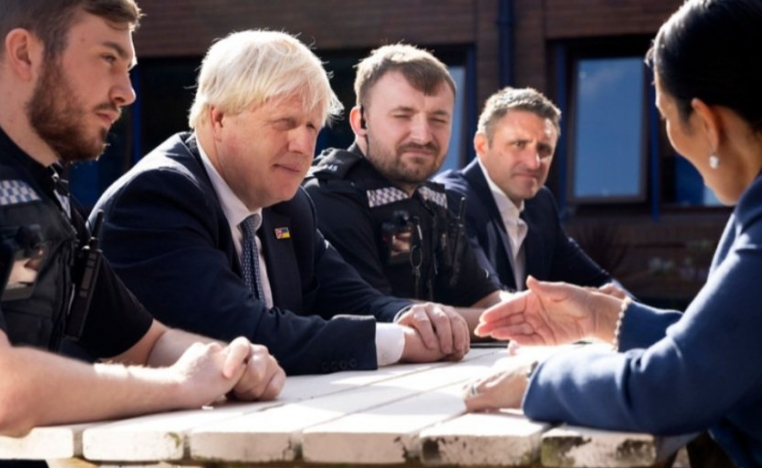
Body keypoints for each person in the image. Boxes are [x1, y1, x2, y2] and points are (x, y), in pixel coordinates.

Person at [464, 0, 762, 468]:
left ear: (706, 119)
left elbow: (672, 388)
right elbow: (736, 341)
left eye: (663, 116)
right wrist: (601, 317)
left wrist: (538, 379)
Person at [0, 0, 283, 468]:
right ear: (24, 53)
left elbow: (146, 343)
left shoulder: (47, 202)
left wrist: (226, 362)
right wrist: (179, 385)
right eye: (107, 59)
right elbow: (6, 390)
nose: (127, 92)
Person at [90, 31, 470, 379]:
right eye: (283, 123)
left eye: (310, 126)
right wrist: (398, 342)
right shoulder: (157, 197)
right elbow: (245, 331)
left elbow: (348, 293)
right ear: (218, 118)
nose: (303, 146)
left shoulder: (286, 202)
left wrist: (409, 317)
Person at [303, 44, 504, 326]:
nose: (422, 136)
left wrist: (540, 310)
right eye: (402, 116)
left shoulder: (435, 201)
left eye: (438, 119)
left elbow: (485, 300)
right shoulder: (327, 197)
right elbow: (381, 315)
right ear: (361, 122)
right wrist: (507, 321)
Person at [435, 87, 613, 291]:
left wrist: (633, 312)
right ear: (482, 145)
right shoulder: (452, 200)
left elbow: (597, 280)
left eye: (544, 149)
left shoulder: (541, 202)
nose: (534, 163)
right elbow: (488, 298)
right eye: (519, 144)